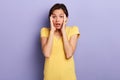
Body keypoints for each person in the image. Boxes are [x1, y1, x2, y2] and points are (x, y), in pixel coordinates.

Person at [40, 3, 80, 80]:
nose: (57, 20)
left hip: (68, 77)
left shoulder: (73, 30)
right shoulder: (44, 31)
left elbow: (69, 54)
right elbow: (47, 53)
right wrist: (52, 31)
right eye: (54, 17)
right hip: (50, 77)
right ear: (50, 19)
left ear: (66, 19)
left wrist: (63, 31)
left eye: (61, 16)